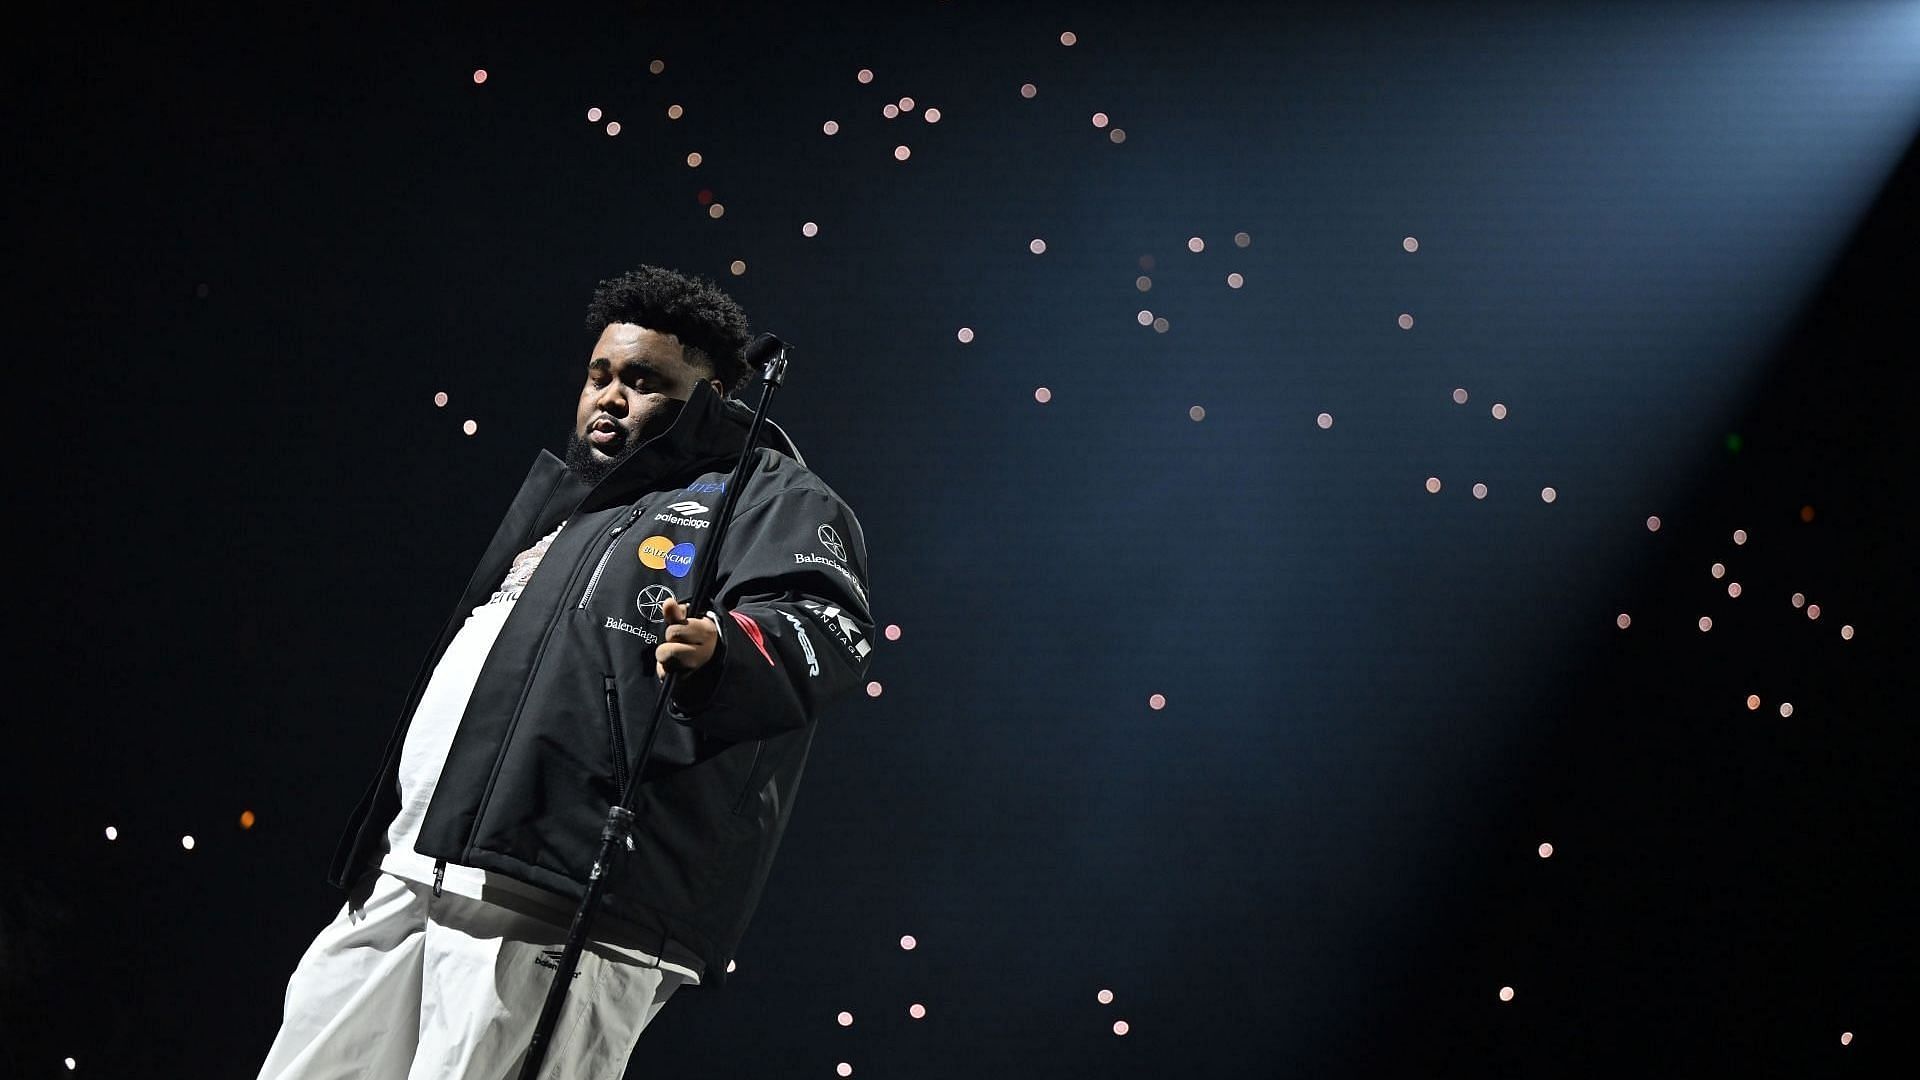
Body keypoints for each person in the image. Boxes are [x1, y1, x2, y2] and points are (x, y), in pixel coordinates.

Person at [257, 265, 874, 1079]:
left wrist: (728, 648)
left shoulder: (771, 497)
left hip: (561, 902)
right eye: (600, 375)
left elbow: (828, 627)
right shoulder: (581, 504)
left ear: (717, 393)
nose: (610, 397)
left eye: (645, 381)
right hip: (412, 868)